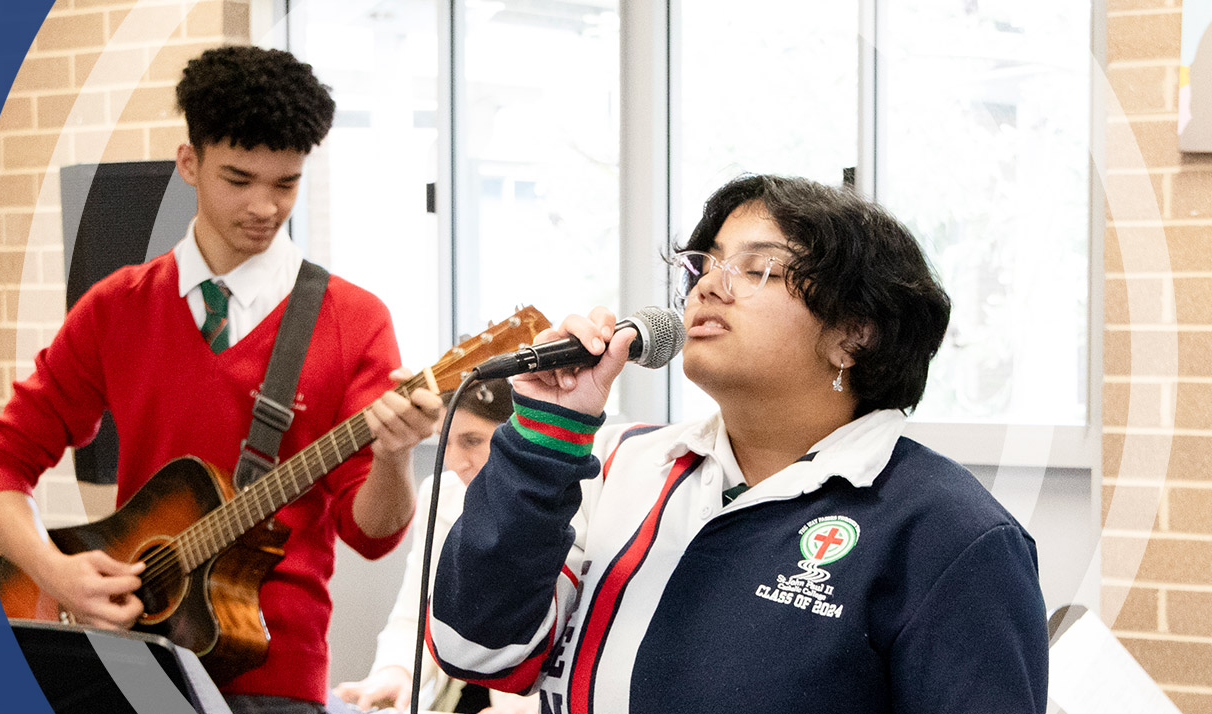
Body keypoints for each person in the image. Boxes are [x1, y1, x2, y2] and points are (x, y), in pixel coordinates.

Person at [426, 175, 1047, 714]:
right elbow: (475, 650)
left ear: (853, 337)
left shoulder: (948, 533)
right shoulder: (617, 464)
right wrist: (547, 433)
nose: (707, 288)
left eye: (758, 270)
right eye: (706, 264)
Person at [0, 46, 442, 713]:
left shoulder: (354, 320)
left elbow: (374, 533)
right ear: (188, 163)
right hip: (130, 665)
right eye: (238, 178)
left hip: (278, 679)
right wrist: (57, 574)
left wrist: (394, 457)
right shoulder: (116, 305)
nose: (264, 207)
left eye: (286, 183)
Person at [331, 377, 533, 714]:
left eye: (472, 441)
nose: (454, 462)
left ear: (524, 435)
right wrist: (395, 671)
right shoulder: (441, 493)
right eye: (445, 443)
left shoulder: (574, 504)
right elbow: (417, 612)